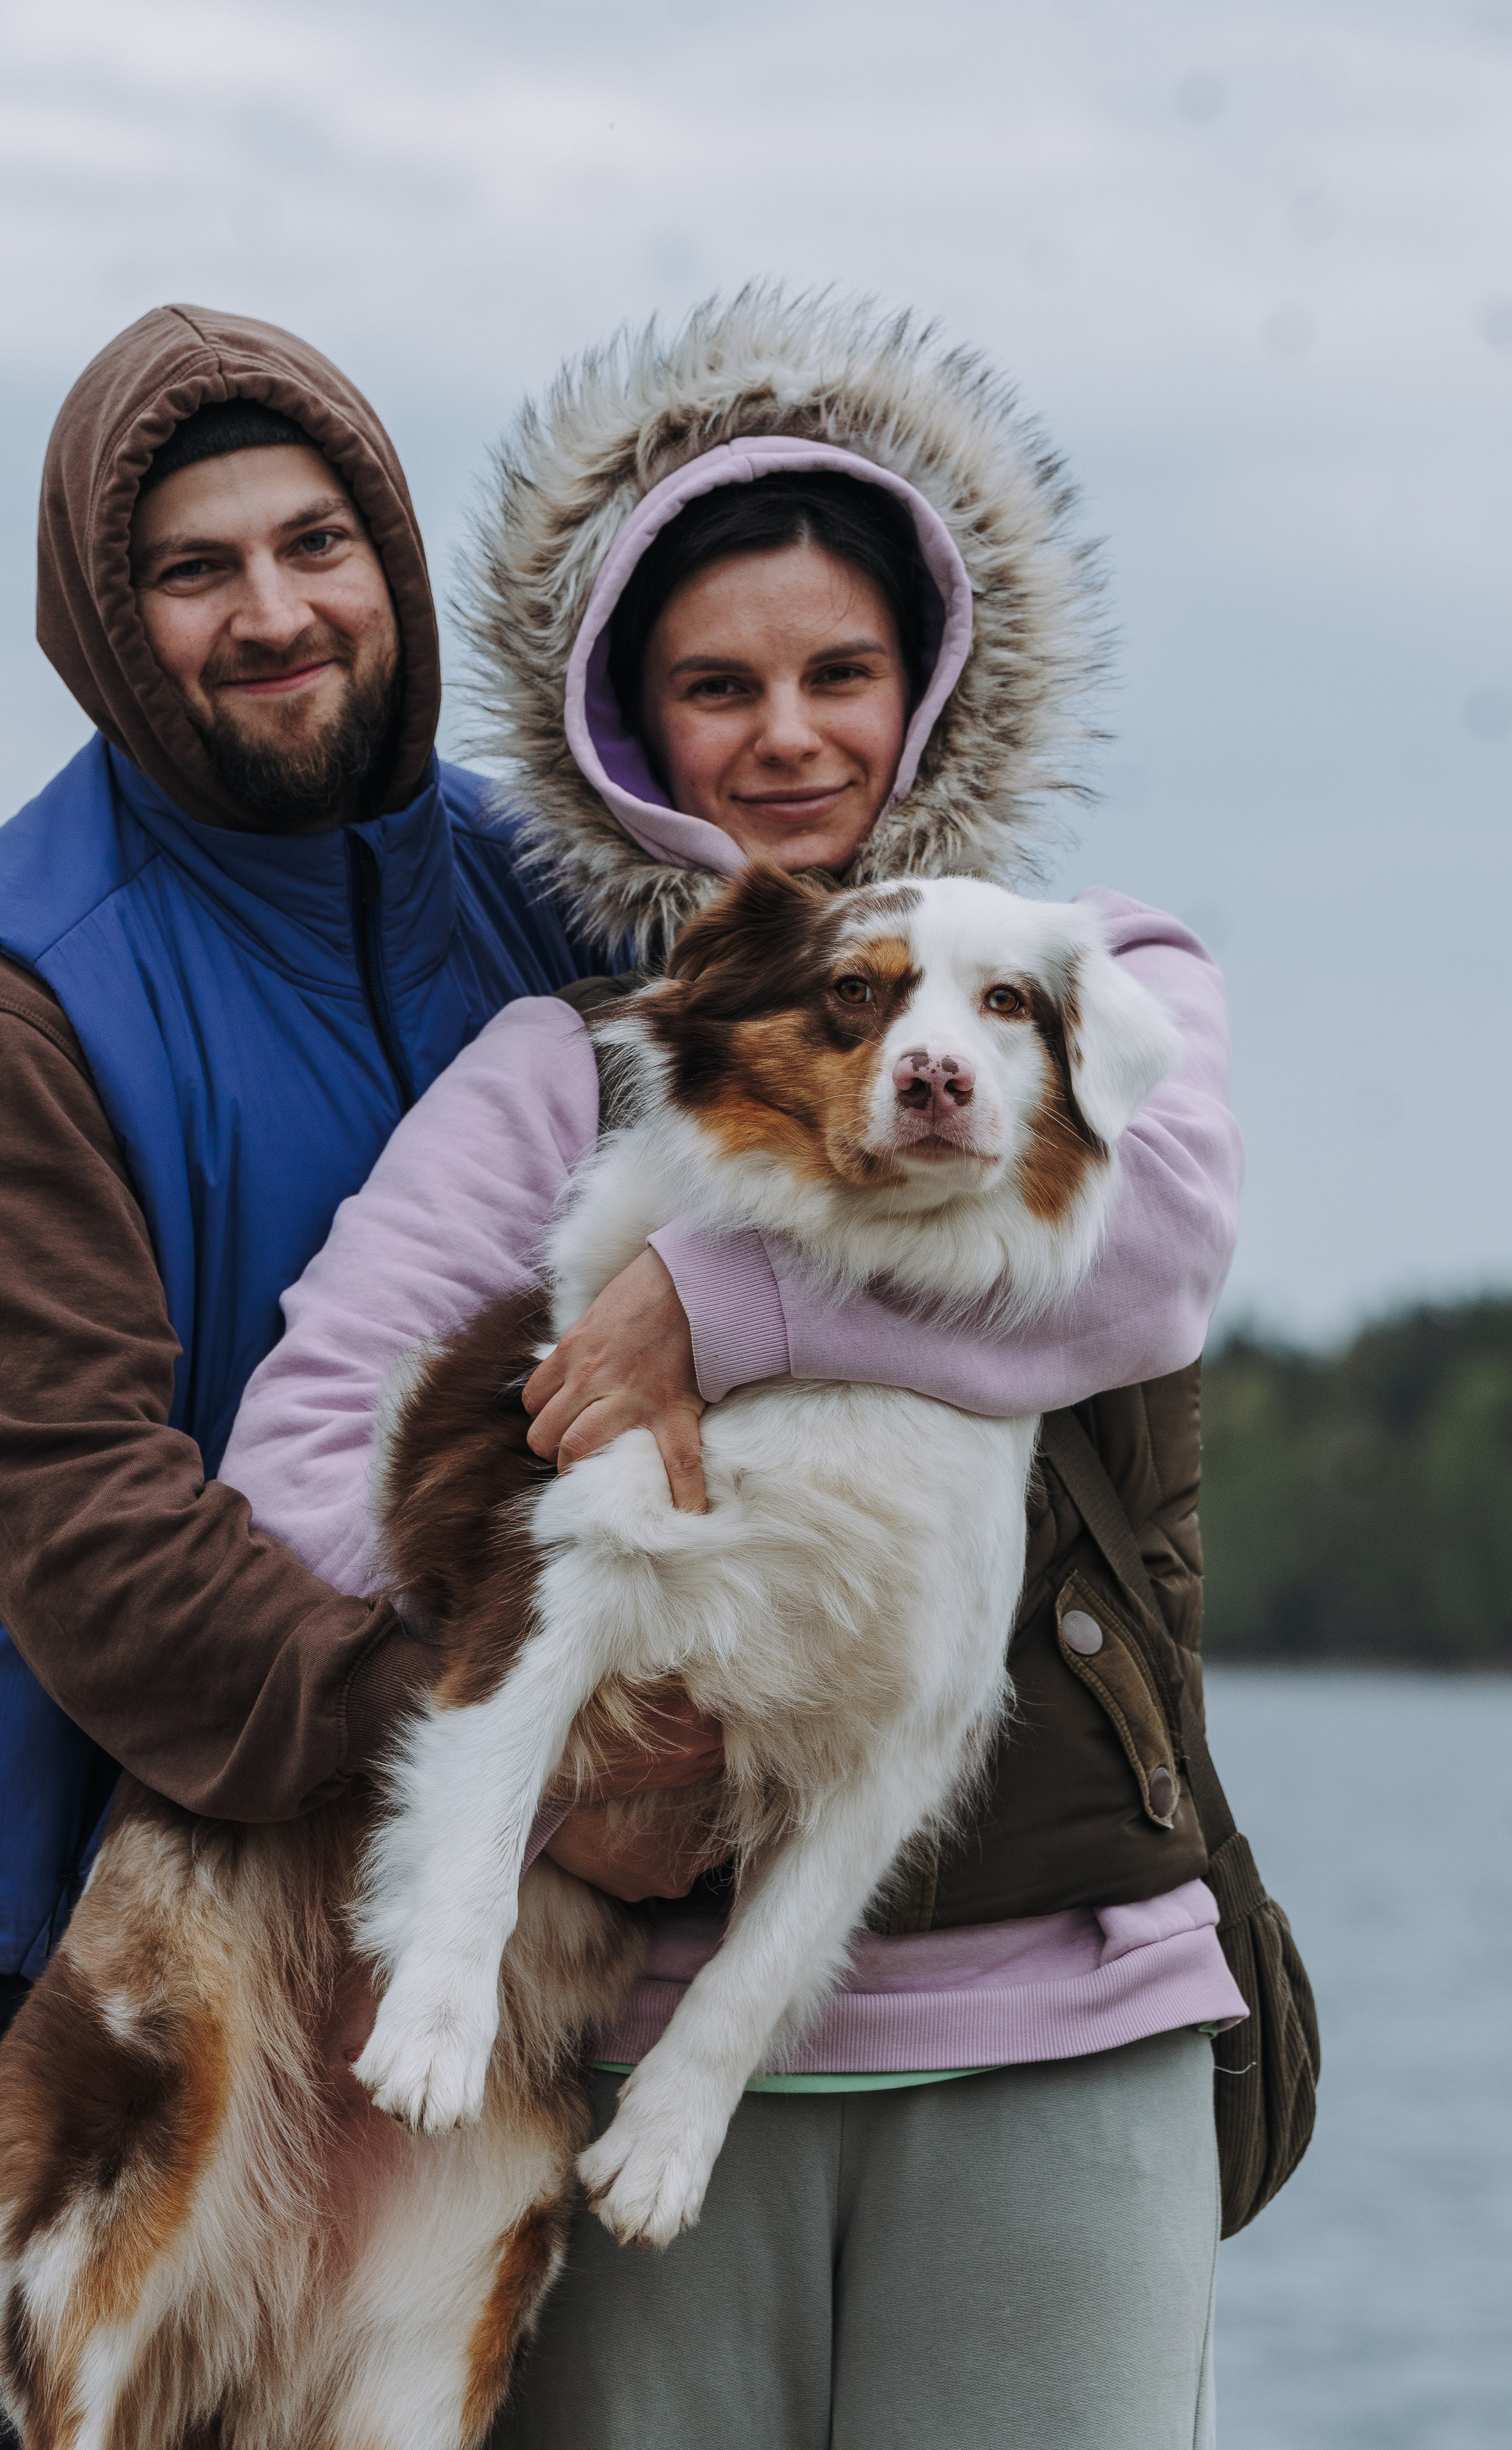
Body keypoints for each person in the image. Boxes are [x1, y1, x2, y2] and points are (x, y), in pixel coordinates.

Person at [218, 291, 1248, 2448]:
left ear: (928, 684)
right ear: (628, 727)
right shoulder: (561, 1074)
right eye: (719, 686)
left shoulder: (1105, 973)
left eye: (840, 674)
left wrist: (717, 1307)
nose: (787, 735)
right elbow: (304, 1459)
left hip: (1065, 2000)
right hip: (630, 2049)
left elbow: (1145, 1260)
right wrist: (543, 1735)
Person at [0, 303, 724, 2447]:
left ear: (395, 563)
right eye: (194, 571)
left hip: (486, 1941)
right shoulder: (4, 1000)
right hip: (110, 1945)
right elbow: (83, 1527)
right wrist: (515, 1769)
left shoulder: (549, 900)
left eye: (314, 543)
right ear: (107, 620)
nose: (273, 614)